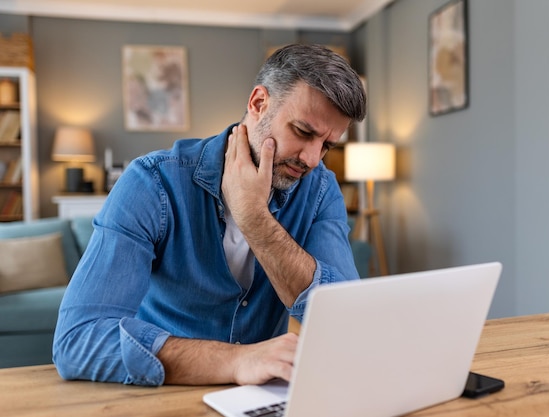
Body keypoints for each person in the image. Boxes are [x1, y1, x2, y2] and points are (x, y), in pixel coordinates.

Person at [53, 43, 367, 387]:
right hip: (164, 393)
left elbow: (346, 323)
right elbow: (78, 340)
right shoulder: (151, 183)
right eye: (303, 132)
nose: (311, 159)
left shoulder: (320, 190)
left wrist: (255, 220)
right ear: (259, 103)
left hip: (263, 399)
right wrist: (238, 361)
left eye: (326, 145)